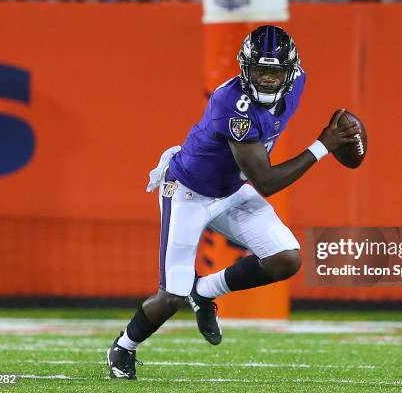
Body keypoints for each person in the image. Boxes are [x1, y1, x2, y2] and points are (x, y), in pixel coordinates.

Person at [106, 25, 361, 380]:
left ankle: (204, 289)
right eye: (260, 71)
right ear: (245, 68)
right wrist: (323, 146)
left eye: (275, 72)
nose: (268, 80)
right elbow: (267, 182)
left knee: (286, 259)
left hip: (231, 188)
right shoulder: (233, 106)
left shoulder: (299, 81)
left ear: (291, 72)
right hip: (189, 193)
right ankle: (124, 347)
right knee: (171, 298)